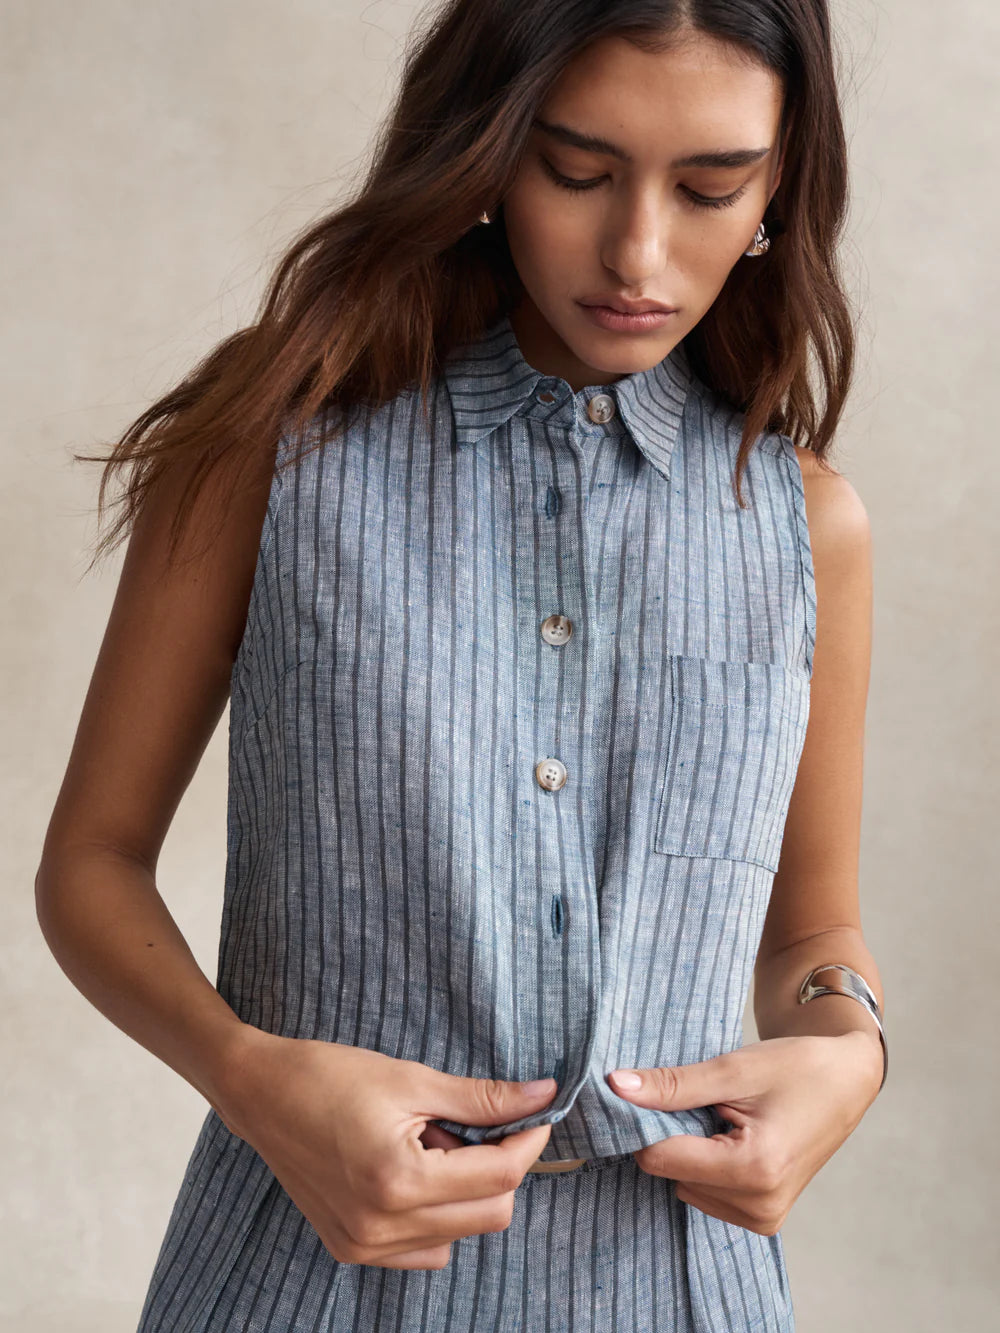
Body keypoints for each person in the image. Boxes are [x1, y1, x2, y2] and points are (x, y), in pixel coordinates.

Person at [35, 0, 888, 1328]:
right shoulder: (274, 446)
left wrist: (850, 1050)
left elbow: (813, 931)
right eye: (577, 170)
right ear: (488, 150)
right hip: (300, 1275)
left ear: (779, 191)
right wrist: (254, 1080)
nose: (639, 250)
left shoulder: (804, 525)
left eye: (711, 187)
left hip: (673, 1288)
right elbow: (88, 863)